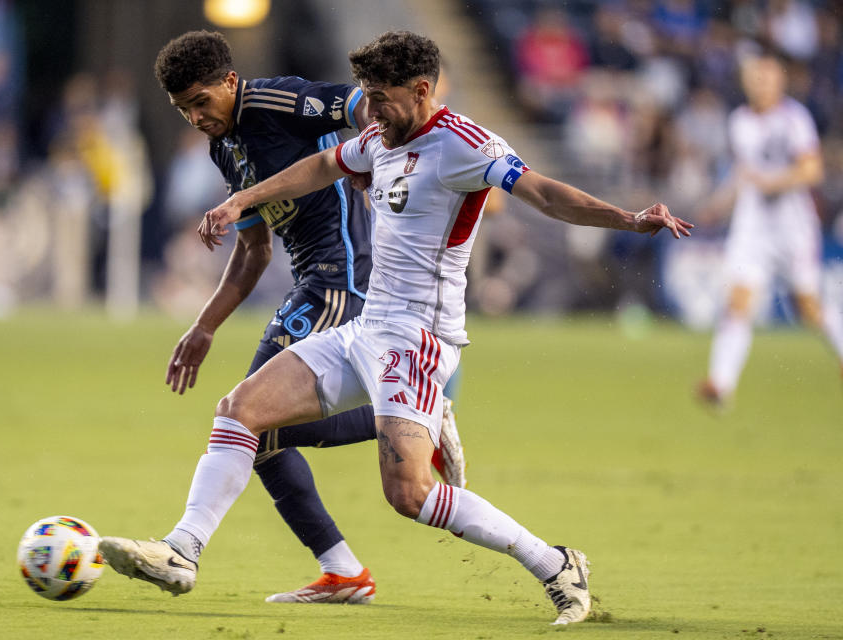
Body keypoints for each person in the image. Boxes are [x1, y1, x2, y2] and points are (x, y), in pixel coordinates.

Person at [100, 31, 692, 625]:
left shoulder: (465, 144)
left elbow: (543, 192)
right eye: (366, 97)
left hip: (418, 340)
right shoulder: (380, 138)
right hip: (364, 329)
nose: (370, 112)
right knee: (239, 412)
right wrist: (238, 202)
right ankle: (183, 550)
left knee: (407, 495)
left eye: (380, 99)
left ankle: (557, 564)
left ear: (422, 90)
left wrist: (626, 218)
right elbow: (323, 164)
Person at [133, 30, 467, 605]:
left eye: (201, 102)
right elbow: (254, 251)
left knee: (244, 417)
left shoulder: (274, 101)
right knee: (252, 434)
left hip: (345, 278)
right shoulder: (225, 147)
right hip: (311, 280)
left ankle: (184, 548)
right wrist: (205, 325)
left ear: (230, 83)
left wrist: (371, 156)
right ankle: (343, 571)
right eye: (182, 108)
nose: (194, 117)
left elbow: (359, 103)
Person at [698, 50, 843, 406]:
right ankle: (720, 384)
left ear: (780, 80)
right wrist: (718, 205)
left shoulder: (794, 119)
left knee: (807, 307)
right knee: (738, 301)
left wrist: (769, 182)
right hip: (752, 227)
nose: (760, 83)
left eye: (767, 76)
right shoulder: (739, 121)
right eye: (755, 77)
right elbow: (741, 172)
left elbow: (812, 171)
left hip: (793, 227)